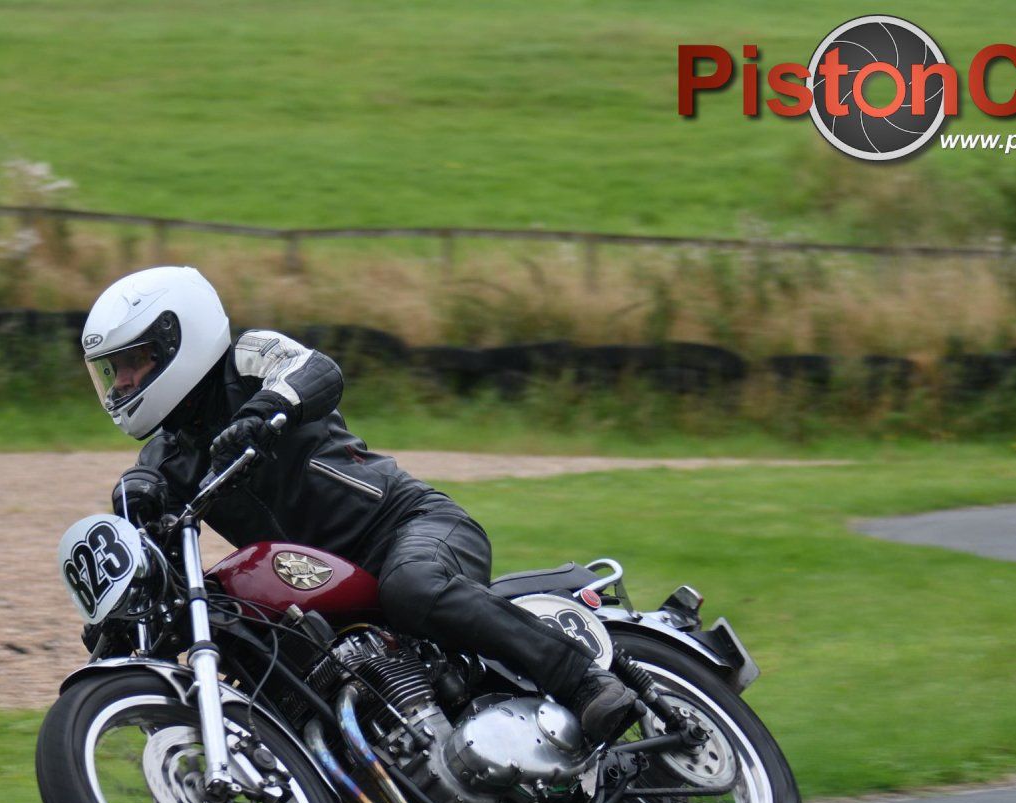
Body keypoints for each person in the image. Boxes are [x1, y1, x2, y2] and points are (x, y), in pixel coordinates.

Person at [81, 266, 637, 744]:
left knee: (413, 587)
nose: (123, 382)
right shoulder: (166, 458)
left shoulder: (247, 362)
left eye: (135, 361)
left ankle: (583, 680)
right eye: (115, 370)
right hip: (315, 586)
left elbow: (315, 370)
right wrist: (124, 589)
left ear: (180, 338)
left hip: (404, 525)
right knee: (265, 658)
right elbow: (145, 513)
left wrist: (262, 414)